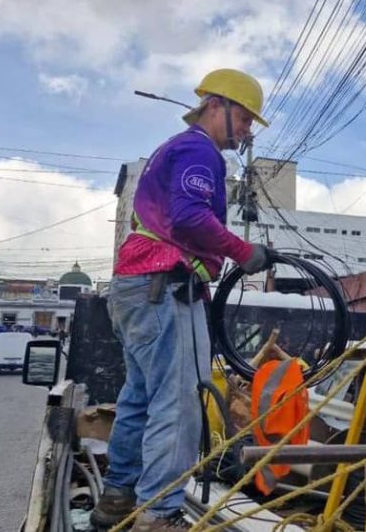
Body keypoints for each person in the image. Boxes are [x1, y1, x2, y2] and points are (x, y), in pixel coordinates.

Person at [90, 69, 272, 532]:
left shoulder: (170, 150)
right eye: (246, 119)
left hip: (139, 288)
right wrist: (243, 251)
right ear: (217, 108)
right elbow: (190, 218)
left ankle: (118, 498)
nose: (249, 130)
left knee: (140, 398)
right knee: (179, 405)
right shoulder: (198, 149)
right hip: (164, 289)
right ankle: (158, 516)